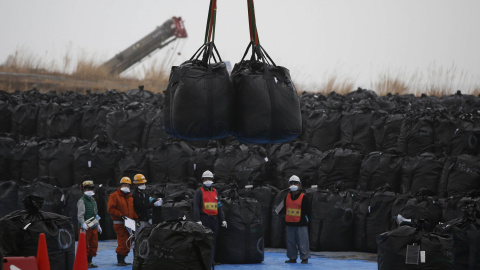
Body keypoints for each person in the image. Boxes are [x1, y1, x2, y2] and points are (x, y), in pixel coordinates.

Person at [193, 170, 227, 265]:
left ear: (212, 180)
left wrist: (223, 219)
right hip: (204, 219)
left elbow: (219, 207)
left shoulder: (215, 191)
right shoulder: (199, 192)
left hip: (214, 220)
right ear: (203, 180)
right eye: (206, 178)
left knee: (213, 240)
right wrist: (197, 220)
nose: (208, 180)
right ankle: (204, 261)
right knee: (204, 241)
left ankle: (212, 260)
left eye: (209, 178)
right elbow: (195, 206)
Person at [107, 176, 139, 266]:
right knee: (123, 241)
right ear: (121, 185)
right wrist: (121, 215)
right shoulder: (114, 196)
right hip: (120, 224)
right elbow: (110, 209)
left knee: (128, 241)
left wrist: (136, 218)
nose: (127, 187)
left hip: (129, 223)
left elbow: (132, 210)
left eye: (128, 185)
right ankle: (120, 260)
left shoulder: (129, 197)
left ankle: (123, 259)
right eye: (125, 185)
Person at [283, 175, 310, 264]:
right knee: (290, 243)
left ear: (299, 185)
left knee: (303, 242)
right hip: (290, 223)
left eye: (295, 183)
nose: (293, 185)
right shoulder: (286, 197)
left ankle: (304, 259)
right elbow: (281, 209)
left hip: (301, 224)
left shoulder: (304, 197)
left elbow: (308, 211)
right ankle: (292, 258)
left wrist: (307, 220)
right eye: (291, 183)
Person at [77, 180, 102, 268]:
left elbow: (95, 214)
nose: (89, 190)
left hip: (93, 226)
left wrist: (98, 224)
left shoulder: (93, 200)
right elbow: (80, 215)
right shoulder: (82, 201)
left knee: (93, 245)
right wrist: (83, 223)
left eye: (91, 188)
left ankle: (90, 262)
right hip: (85, 227)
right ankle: (84, 262)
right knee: (85, 245)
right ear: (84, 189)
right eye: (87, 188)